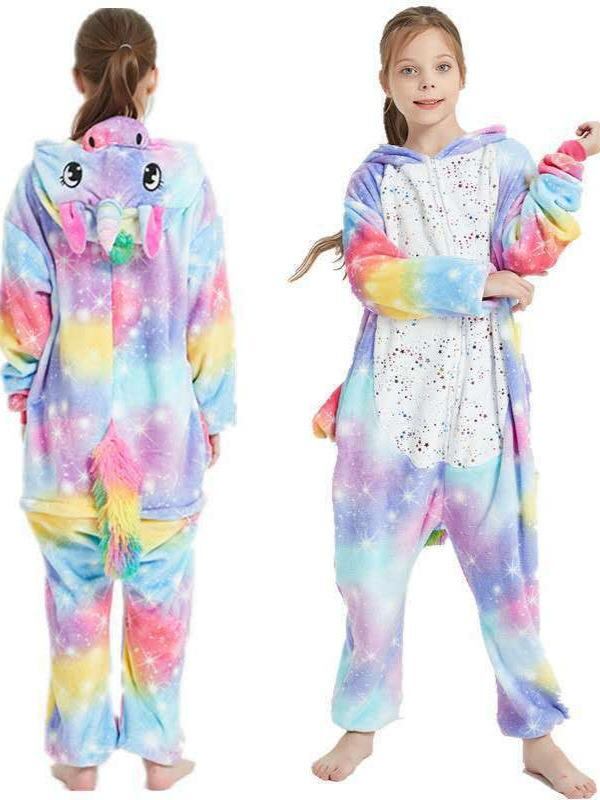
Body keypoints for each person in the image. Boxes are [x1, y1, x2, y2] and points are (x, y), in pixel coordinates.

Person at [290, 6, 598, 797]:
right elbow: (373, 276)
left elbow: (530, 251)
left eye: (441, 67)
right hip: (387, 410)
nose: (426, 82)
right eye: (409, 69)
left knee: (507, 578)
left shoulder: (503, 161)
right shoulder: (374, 178)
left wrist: (569, 162)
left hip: (480, 404)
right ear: (386, 82)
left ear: (463, 74)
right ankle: (361, 724)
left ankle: (538, 736)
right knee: (367, 575)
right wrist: (476, 281)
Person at [0, 8, 235, 791]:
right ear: (153, 77)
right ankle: (161, 754)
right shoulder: (187, 186)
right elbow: (209, 309)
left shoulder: (41, 185)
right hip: (164, 441)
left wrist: (22, 392)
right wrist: (213, 411)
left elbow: (20, 309)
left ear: (79, 78)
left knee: (75, 605)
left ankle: (77, 759)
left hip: (67, 439)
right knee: (161, 605)